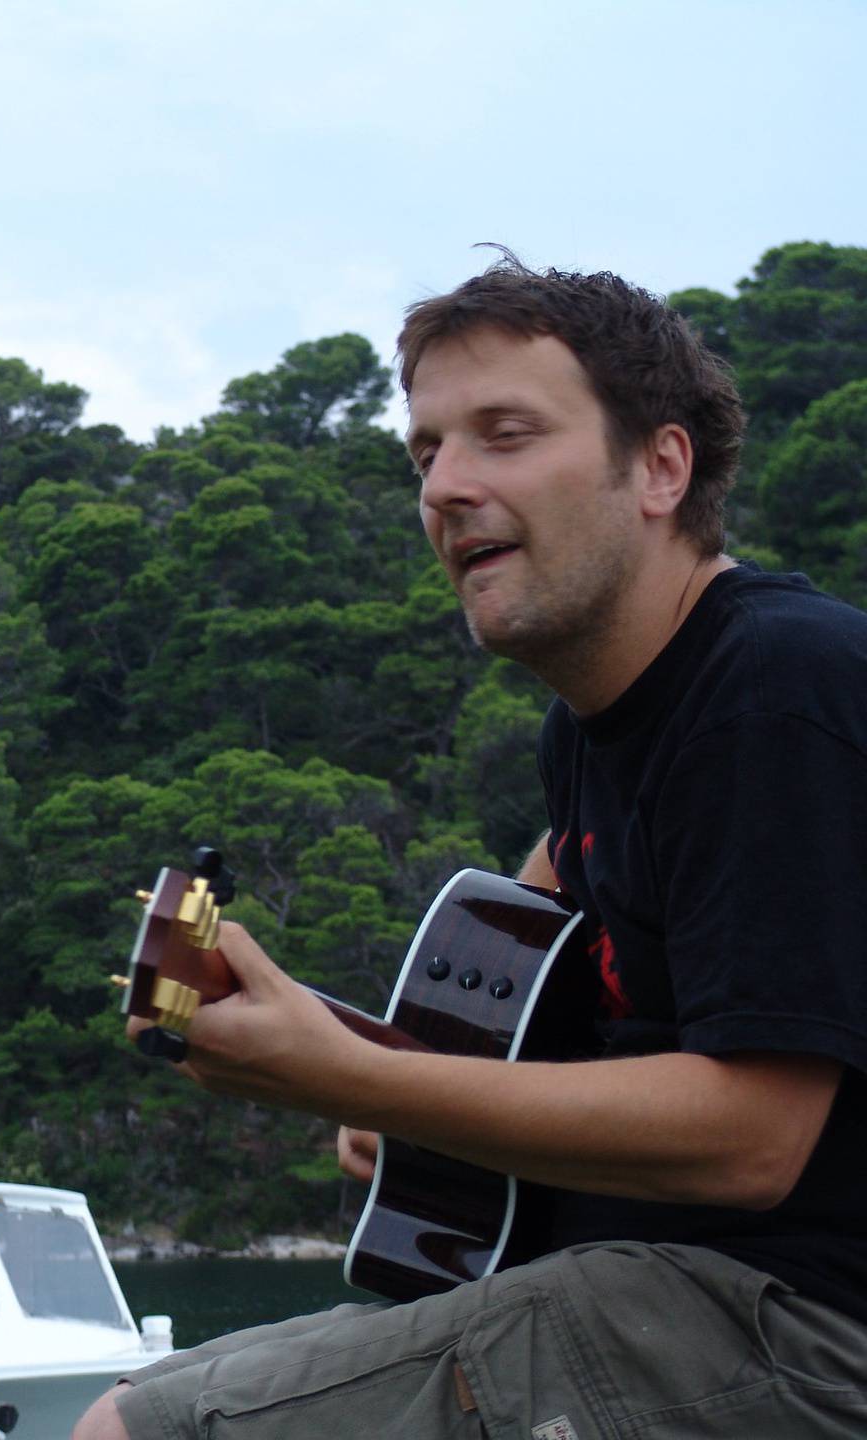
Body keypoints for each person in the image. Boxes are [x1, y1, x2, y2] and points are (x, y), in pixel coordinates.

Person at [76, 257, 867, 1440]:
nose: (445, 487)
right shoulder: (594, 732)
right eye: (426, 454)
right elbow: (520, 994)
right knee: (134, 1398)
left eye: (504, 434)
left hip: (803, 1329)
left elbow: (755, 1139)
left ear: (661, 466)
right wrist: (383, 1076)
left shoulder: (777, 689)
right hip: (659, 1283)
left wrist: (362, 1079)